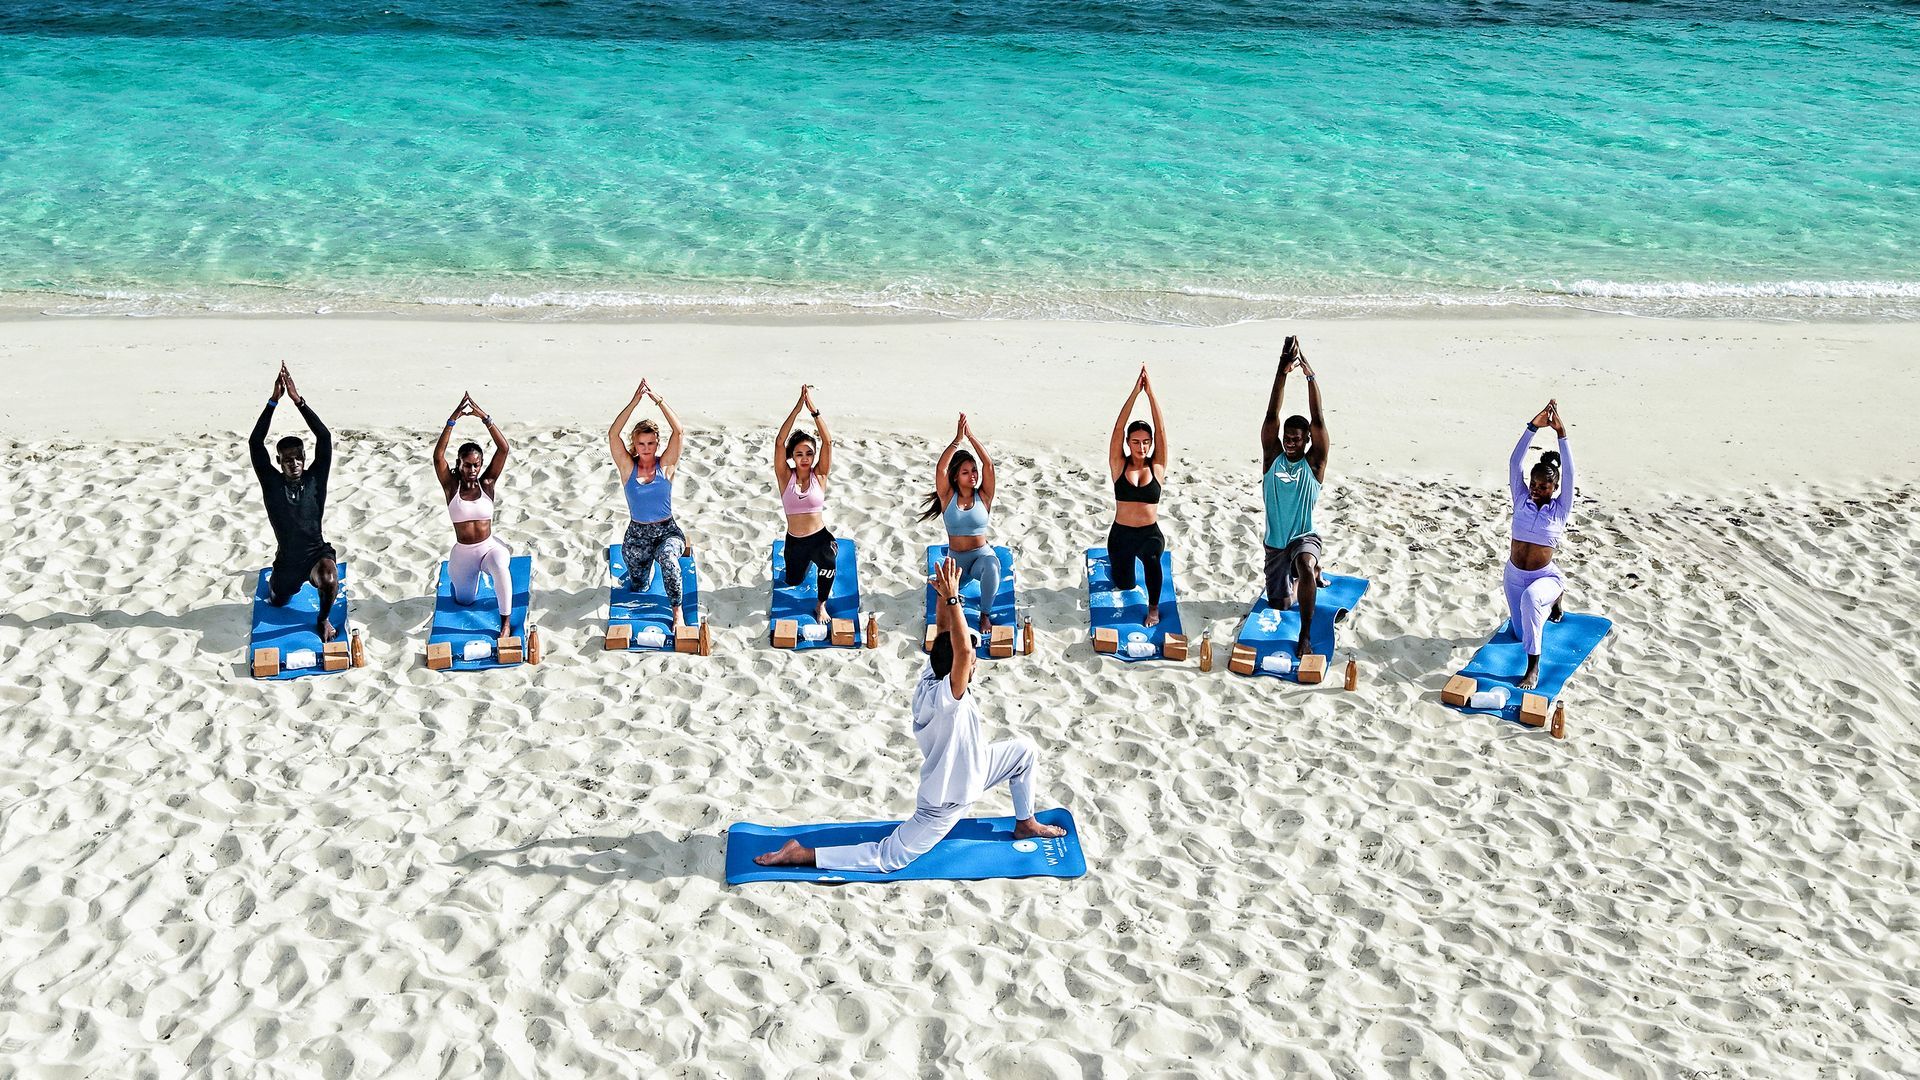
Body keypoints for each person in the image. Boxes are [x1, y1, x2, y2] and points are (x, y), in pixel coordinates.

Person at [753, 558, 1067, 872]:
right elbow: (962, 651)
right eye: (971, 661)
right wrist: (955, 599)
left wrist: (945, 596)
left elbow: (945, 635)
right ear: (961, 666)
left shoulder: (932, 675)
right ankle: (800, 854)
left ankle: (1026, 823)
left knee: (1023, 752)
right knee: (887, 858)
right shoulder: (950, 697)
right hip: (945, 801)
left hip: (975, 770)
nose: (975, 662)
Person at [249, 363, 340, 641]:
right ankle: (276, 584)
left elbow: (323, 437)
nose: (294, 463)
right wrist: (273, 401)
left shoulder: (315, 479)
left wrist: (298, 400)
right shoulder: (272, 483)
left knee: (328, 578)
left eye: (299, 457)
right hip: (287, 560)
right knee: (277, 600)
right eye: (287, 459)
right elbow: (255, 443)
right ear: (279, 461)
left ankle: (322, 619)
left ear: (304, 457)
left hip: (316, 553)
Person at [1259, 335, 1331, 657]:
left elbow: (1318, 420)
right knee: (1280, 603)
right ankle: (1306, 573)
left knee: (1303, 562)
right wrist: (1281, 370)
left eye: (1296, 439)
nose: (1289, 442)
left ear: (1305, 442)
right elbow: (1272, 414)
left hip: (1304, 537)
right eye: (1287, 437)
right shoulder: (1272, 455)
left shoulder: (1314, 464)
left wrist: (1310, 377)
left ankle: (1305, 635)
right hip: (1275, 542)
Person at [608, 378, 689, 627]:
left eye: (651, 443)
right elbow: (613, 434)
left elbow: (679, 431)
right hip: (637, 535)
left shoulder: (665, 466)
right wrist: (635, 402)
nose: (646, 448)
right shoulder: (627, 467)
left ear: (657, 443)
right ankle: (645, 572)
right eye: (641, 443)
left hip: (667, 530)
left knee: (668, 558)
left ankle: (677, 613)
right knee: (639, 586)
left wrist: (658, 401)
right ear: (635, 444)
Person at [432, 392, 513, 639]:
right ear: (460, 463)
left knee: (500, 565)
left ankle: (506, 623)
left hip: (488, 548)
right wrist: (452, 420)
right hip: (463, 554)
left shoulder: (487, 483)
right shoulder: (451, 486)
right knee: (464, 600)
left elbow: (504, 448)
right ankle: (465, 581)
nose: (473, 469)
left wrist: (485, 418)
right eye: (468, 465)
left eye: (476, 464)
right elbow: (438, 457)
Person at [1506, 400, 1573, 689]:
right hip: (1513, 575)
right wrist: (1533, 427)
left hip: (1543, 576)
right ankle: (1554, 601)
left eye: (1543, 487)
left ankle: (1532, 668)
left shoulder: (1560, 509)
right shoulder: (1521, 499)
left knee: (1532, 601)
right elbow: (1514, 463)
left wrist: (1562, 434)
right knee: (1521, 633)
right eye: (1533, 484)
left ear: (1554, 488)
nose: (1536, 490)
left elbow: (1570, 472)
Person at [918, 413, 1000, 637]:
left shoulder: (984, 496)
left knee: (992, 566)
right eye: (966, 472)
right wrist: (957, 441)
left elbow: (989, 465)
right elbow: (941, 470)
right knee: (944, 598)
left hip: (981, 556)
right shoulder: (947, 497)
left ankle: (985, 614)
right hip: (957, 561)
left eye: (973, 471)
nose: (973, 475)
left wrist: (971, 437)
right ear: (956, 477)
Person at [1107, 364, 1170, 627]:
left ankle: (1153, 609)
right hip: (1121, 534)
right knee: (1125, 584)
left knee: (1153, 560)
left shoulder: (1157, 466)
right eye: (1136, 442)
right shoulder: (1118, 465)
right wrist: (1135, 393)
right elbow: (1118, 428)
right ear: (1128, 443)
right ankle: (1122, 568)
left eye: (1146, 442)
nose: (1141, 446)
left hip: (1149, 535)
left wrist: (1151, 394)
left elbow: (1161, 428)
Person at [773, 385, 837, 624]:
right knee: (793, 581)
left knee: (829, 562)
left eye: (809, 453)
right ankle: (807, 565)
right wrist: (797, 408)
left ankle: (821, 605)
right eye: (799, 454)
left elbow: (828, 442)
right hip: (795, 541)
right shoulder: (784, 476)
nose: (805, 458)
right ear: (793, 456)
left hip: (819, 537)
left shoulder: (819, 475)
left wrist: (813, 412)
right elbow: (780, 442)